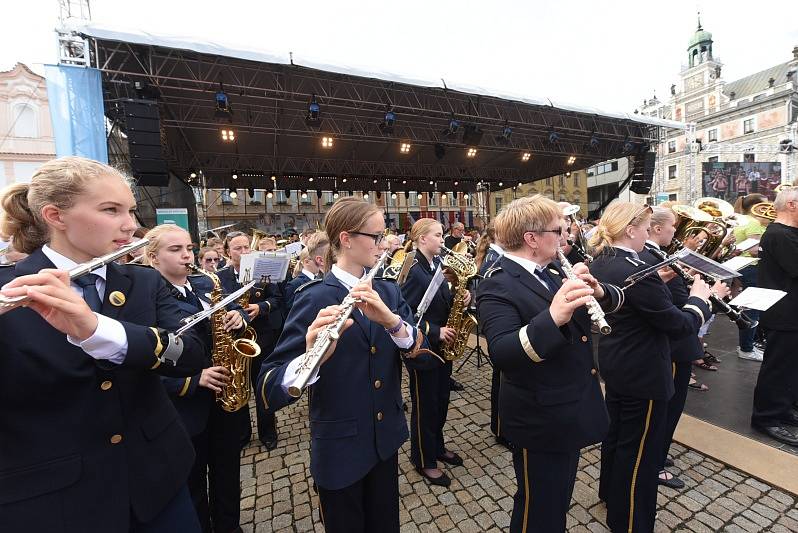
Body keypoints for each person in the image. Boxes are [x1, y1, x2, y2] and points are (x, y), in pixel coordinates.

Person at [0, 156, 208, 533]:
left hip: (158, 481)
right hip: (54, 502)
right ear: (55, 216)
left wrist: (99, 331)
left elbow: (189, 353)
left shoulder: (144, 282)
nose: (130, 225)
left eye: (130, 210)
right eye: (111, 210)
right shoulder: (10, 288)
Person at [256, 197, 435, 533]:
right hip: (339, 449)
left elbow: (421, 356)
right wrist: (310, 356)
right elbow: (268, 386)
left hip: (385, 440)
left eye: (384, 236)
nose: (384, 245)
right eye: (376, 237)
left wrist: (393, 323)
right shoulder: (313, 296)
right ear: (346, 239)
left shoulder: (388, 292)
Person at [477, 196, 623, 532]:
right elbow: (502, 352)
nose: (566, 236)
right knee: (538, 506)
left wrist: (597, 292)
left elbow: (597, 314)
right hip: (540, 417)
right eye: (558, 230)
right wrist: (553, 316)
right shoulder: (497, 283)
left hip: (569, 407)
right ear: (532, 238)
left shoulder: (554, 269)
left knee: (557, 499)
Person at [589, 201, 713, 533]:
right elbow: (677, 323)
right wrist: (700, 298)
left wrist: (658, 278)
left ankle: (610, 497)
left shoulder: (603, 261)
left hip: (618, 364)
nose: (648, 234)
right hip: (643, 371)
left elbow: (632, 302)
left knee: (617, 438)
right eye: (645, 228)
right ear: (631, 229)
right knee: (639, 452)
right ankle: (630, 521)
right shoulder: (635, 268)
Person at [144, 224, 248, 533]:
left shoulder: (207, 283)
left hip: (223, 396)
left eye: (189, 248)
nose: (186, 255)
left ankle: (230, 527)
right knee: (192, 482)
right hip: (186, 406)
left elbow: (235, 314)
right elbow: (141, 362)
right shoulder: (148, 297)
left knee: (227, 472)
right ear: (153, 257)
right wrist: (191, 380)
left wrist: (237, 318)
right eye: (175, 250)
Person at [640, 207, 729, 490]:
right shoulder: (650, 256)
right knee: (667, 409)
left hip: (674, 344)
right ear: (653, 229)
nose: (675, 232)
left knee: (669, 409)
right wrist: (707, 298)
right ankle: (655, 460)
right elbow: (678, 306)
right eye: (673, 227)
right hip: (674, 346)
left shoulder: (658, 256)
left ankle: (658, 455)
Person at [401, 218, 470, 487]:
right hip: (423, 348)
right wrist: (434, 331)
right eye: (438, 235)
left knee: (440, 400)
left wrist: (460, 298)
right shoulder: (413, 268)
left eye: (443, 235)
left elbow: (439, 298)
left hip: (442, 348)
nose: (443, 240)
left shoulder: (437, 265)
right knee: (424, 405)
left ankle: (437, 446)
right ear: (422, 239)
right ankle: (423, 459)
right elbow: (402, 314)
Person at [218, 231, 283, 450]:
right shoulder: (220, 277)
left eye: (247, 247)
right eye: (238, 248)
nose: (245, 251)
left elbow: (277, 298)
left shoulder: (263, 269)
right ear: (228, 252)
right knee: (240, 385)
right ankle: (242, 433)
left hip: (263, 338)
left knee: (263, 387)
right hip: (236, 340)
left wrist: (261, 307)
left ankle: (268, 432)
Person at [751, 185, 798, 446]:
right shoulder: (780, 234)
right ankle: (766, 417)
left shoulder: (787, 233)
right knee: (778, 369)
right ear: (791, 205)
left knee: (791, 369)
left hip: (790, 312)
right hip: (784, 314)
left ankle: (783, 408)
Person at [732, 193, 770, 361]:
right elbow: (754, 249)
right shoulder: (754, 222)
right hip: (752, 266)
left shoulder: (743, 220)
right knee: (753, 309)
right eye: (765, 204)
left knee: (749, 308)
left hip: (744, 266)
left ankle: (748, 345)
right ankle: (746, 348)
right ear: (756, 206)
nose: (769, 207)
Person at [284, 231, 329, 312]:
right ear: (306, 262)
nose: (320, 262)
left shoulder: (321, 277)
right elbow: (291, 310)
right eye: (315, 259)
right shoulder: (295, 284)